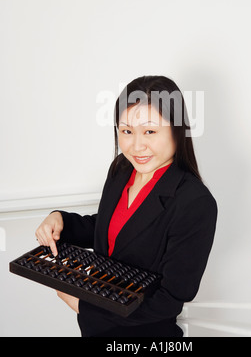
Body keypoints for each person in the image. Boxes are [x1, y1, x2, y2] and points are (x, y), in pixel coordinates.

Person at [35, 75, 218, 337]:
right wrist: (60, 220)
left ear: (178, 130)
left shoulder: (195, 202)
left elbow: (170, 298)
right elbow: (112, 228)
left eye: (150, 131)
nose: (137, 145)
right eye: (127, 131)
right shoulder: (122, 168)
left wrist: (85, 307)